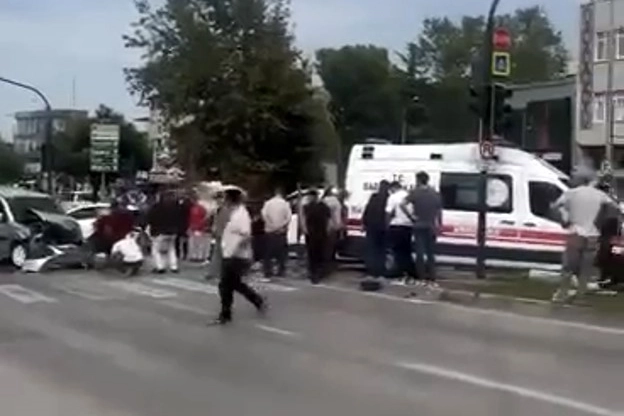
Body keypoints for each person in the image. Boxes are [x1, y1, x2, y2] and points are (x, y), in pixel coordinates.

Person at [552, 174, 617, 303]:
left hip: (575, 233)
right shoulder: (600, 195)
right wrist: (600, 223)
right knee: (585, 268)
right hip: (592, 235)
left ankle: (562, 293)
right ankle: (580, 296)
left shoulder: (571, 193)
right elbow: (614, 209)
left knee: (568, 267)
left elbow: (555, 207)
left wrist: (565, 219)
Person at [212, 187, 266, 325]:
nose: (224, 201)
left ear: (231, 199)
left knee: (225, 285)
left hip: (235, 255)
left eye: (226, 198)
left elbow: (246, 234)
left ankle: (225, 314)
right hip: (230, 253)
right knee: (234, 283)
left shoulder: (241, 214)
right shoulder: (234, 213)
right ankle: (257, 300)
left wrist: (236, 250)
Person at [401, 171, 442, 285]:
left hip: (419, 225)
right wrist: (439, 224)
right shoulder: (435, 193)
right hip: (431, 225)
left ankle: (421, 275)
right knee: (430, 252)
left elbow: (402, 204)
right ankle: (432, 275)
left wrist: (411, 217)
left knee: (420, 252)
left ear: (418, 180)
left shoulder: (415, 192)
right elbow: (439, 211)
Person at [386, 181, 417, 283]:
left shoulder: (393, 197)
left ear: (393, 188)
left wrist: (386, 224)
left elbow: (389, 212)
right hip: (408, 226)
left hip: (396, 225)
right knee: (406, 250)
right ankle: (411, 272)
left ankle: (399, 271)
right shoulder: (408, 195)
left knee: (397, 251)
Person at [261, 187, 292, 280]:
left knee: (267, 253)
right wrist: (281, 226)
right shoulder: (285, 204)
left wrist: (271, 225)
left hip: (270, 231)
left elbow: (264, 215)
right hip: (281, 231)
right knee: (282, 253)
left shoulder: (268, 203)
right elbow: (288, 217)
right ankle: (281, 271)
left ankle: (267, 272)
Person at [362, 180, 390, 279]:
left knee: (371, 249)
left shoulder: (374, 197)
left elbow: (367, 210)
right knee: (381, 250)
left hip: (371, 226)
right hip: (383, 228)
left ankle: (371, 269)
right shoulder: (388, 198)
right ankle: (380, 270)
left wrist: (364, 223)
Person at [147, 190, 181, 273]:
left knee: (156, 250)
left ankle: (160, 267)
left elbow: (151, 219)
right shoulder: (176, 207)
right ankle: (174, 266)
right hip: (173, 232)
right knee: (171, 249)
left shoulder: (157, 207)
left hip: (160, 232)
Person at [302, 190, 331, 283]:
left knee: (313, 254)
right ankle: (316, 273)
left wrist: (305, 229)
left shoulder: (308, 207)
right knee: (318, 254)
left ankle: (314, 273)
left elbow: (304, 220)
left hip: (314, 233)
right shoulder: (323, 207)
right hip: (319, 233)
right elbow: (329, 221)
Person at [322, 187, 344, 268]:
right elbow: (338, 215)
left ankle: (325, 262)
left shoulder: (323, 201)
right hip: (334, 226)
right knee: (332, 245)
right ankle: (330, 261)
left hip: (324, 226)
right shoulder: (336, 202)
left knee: (325, 245)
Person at [188, 192, 210, 262]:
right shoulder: (194, 208)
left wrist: (201, 225)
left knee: (197, 243)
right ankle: (196, 256)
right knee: (195, 243)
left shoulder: (200, 208)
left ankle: (198, 256)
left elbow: (205, 218)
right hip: (194, 227)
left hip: (198, 228)